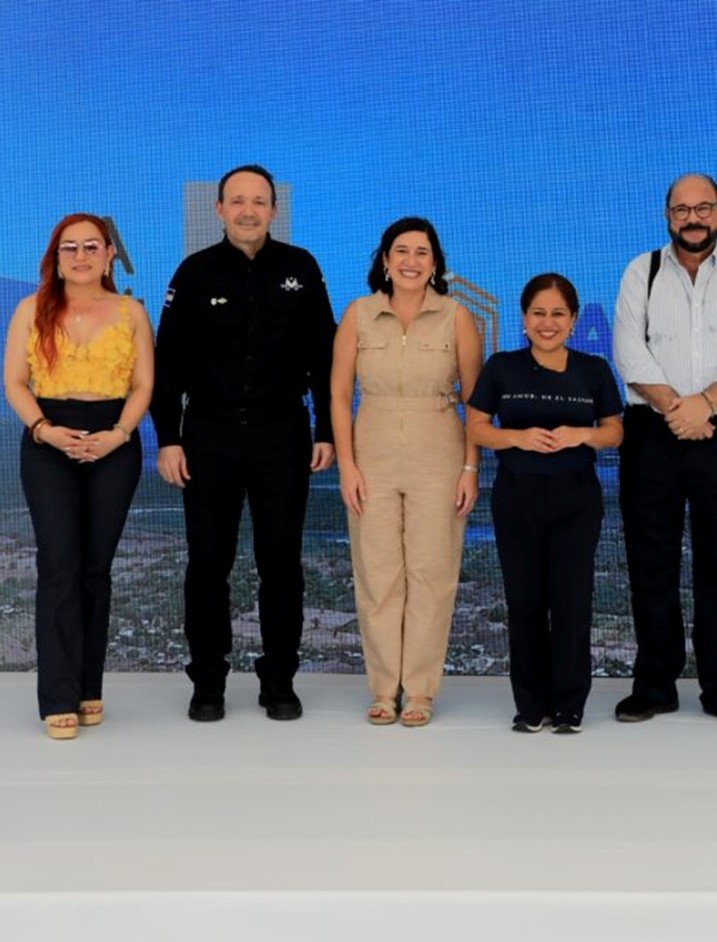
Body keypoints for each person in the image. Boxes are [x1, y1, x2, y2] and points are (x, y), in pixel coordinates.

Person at [152, 164, 336, 722]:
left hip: (283, 436)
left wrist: (325, 429)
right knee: (208, 563)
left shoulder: (301, 269)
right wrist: (167, 440)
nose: (248, 210)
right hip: (208, 437)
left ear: (274, 210)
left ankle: (278, 679)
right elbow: (167, 367)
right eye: (238, 201)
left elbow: (325, 361)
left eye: (259, 201)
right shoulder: (194, 272)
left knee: (280, 563)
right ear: (220, 209)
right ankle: (208, 681)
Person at [611, 173, 717, 729]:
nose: (693, 218)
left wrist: (704, 404)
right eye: (682, 209)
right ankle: (654, 686)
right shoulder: (642, 270)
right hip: (653, 433)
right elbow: (628, 349)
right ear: (667, 215)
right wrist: (675, 408)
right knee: (649, 565)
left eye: (703, 207)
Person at [3, 214, 154, 739]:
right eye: (70, 247)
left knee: (96, 569)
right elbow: (15, 382)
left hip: (114, 440)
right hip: (48, 440)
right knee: (59, 566)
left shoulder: (132, 311)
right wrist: (44, 429)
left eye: (92, 246)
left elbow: (142, 385)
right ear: (56, 255)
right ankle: (58, 697)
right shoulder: (31, 310)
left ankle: (90, 688)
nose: (81, 255)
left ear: (110, 254)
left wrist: (119, 433)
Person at [331, 217, 481, 727]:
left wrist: (470, 467)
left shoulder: (457, 317)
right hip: (371, 445)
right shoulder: (358, 314)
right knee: (377, 573)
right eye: (402, 251)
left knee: (431, 572)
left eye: (422, 252)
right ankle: (381, 689)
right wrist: (347, 464)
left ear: (435, 263)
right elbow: (336, 395)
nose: (411, 261)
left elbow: (475, 402)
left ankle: (419, 690)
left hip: (438, 446)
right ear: (385, 260)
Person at [467, 274, 622, 733]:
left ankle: (570, 705)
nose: (548, 323)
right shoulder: (501, 367)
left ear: (573, 320)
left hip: (576, 496)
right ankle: (530, 705)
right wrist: (518, 438)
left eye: (558, 314)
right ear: (524, 319)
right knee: (525, 602)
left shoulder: (593, 369)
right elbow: (476, 427)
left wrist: (582, 435)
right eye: (539, 313)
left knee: (573, 601)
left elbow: (616, 431)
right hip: (516, 496)